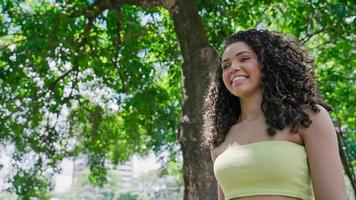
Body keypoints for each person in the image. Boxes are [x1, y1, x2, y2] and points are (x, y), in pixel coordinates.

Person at [202, 29, 346, 200]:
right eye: (226, 65)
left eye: (244, 58)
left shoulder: (307, 117)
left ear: (267, 62)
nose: (233, 68)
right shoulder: (221, 136)